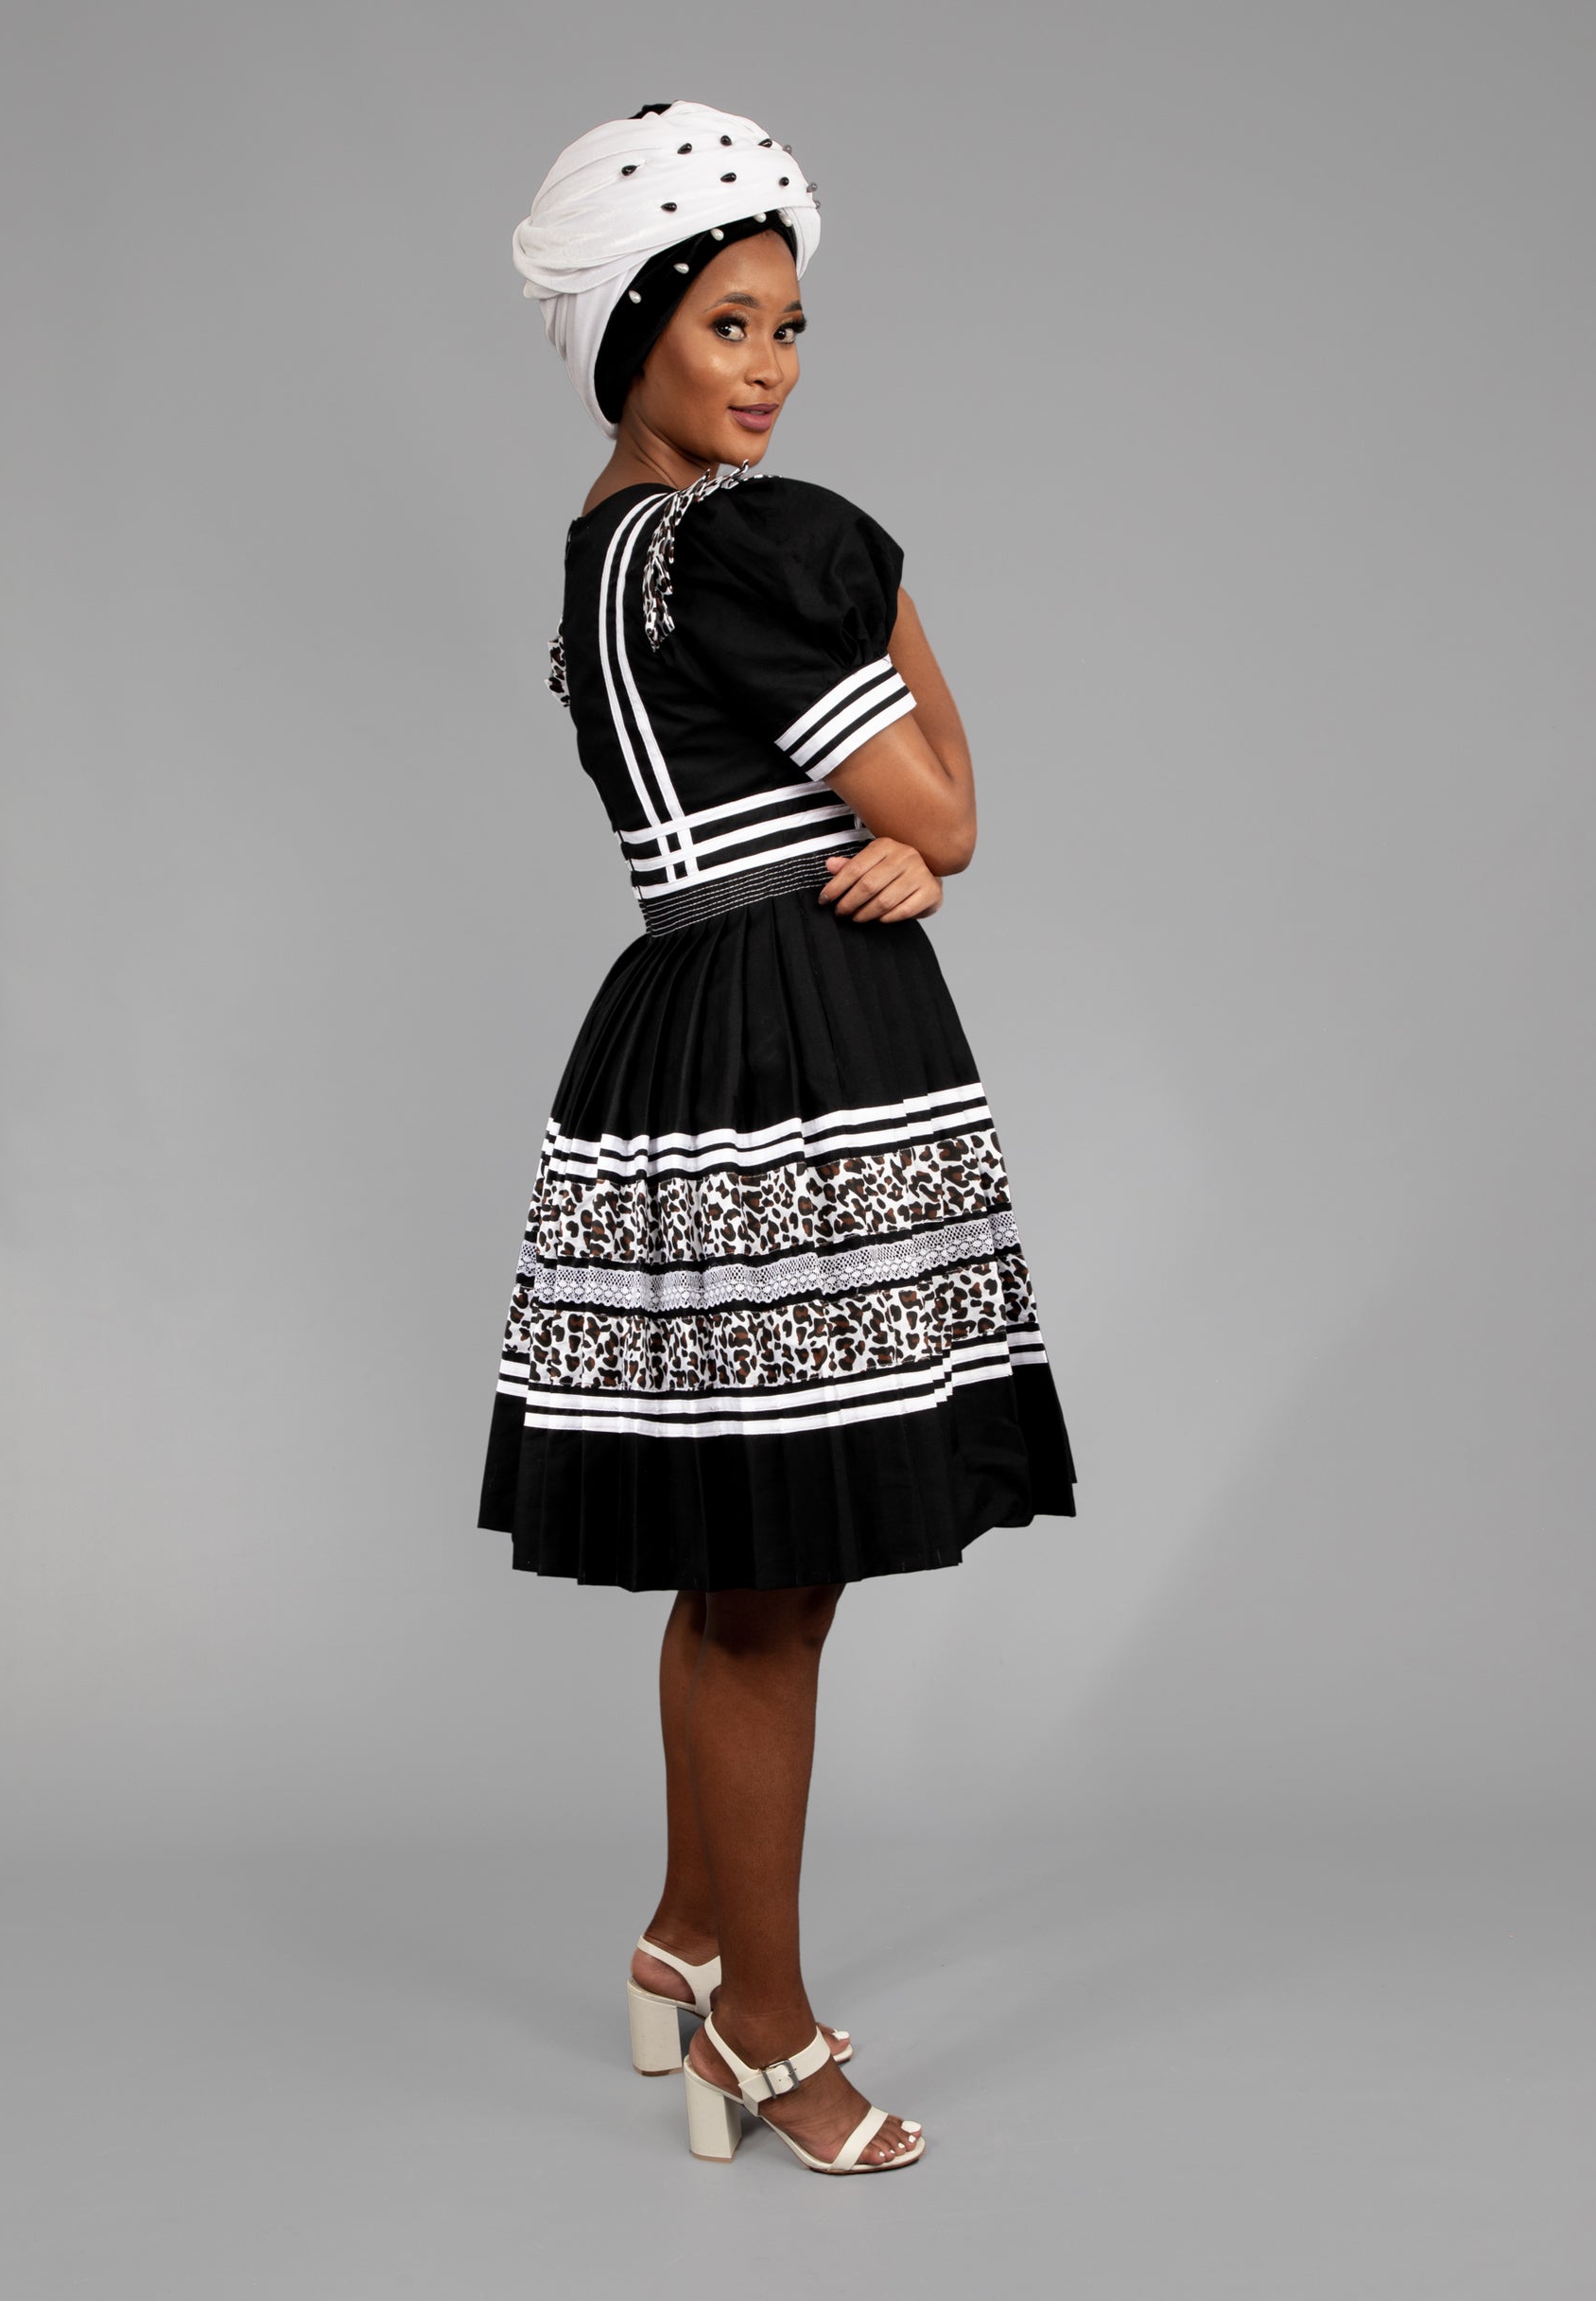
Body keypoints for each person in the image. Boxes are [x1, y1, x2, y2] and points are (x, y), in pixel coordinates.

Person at [480, 100, 1077, 2177]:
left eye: (790, 326)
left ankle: (682, 1930)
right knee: (774, 1570)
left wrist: (900, 832)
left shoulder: (600, 555)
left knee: (742, 1556)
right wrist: (890, 607)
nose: (769, 366)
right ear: (628, 329)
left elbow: (869, 815)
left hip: (693, 1026)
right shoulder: (749, 547)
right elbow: (944, 807)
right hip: (787, 1051)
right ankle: (761, 2021)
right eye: (726, 321)